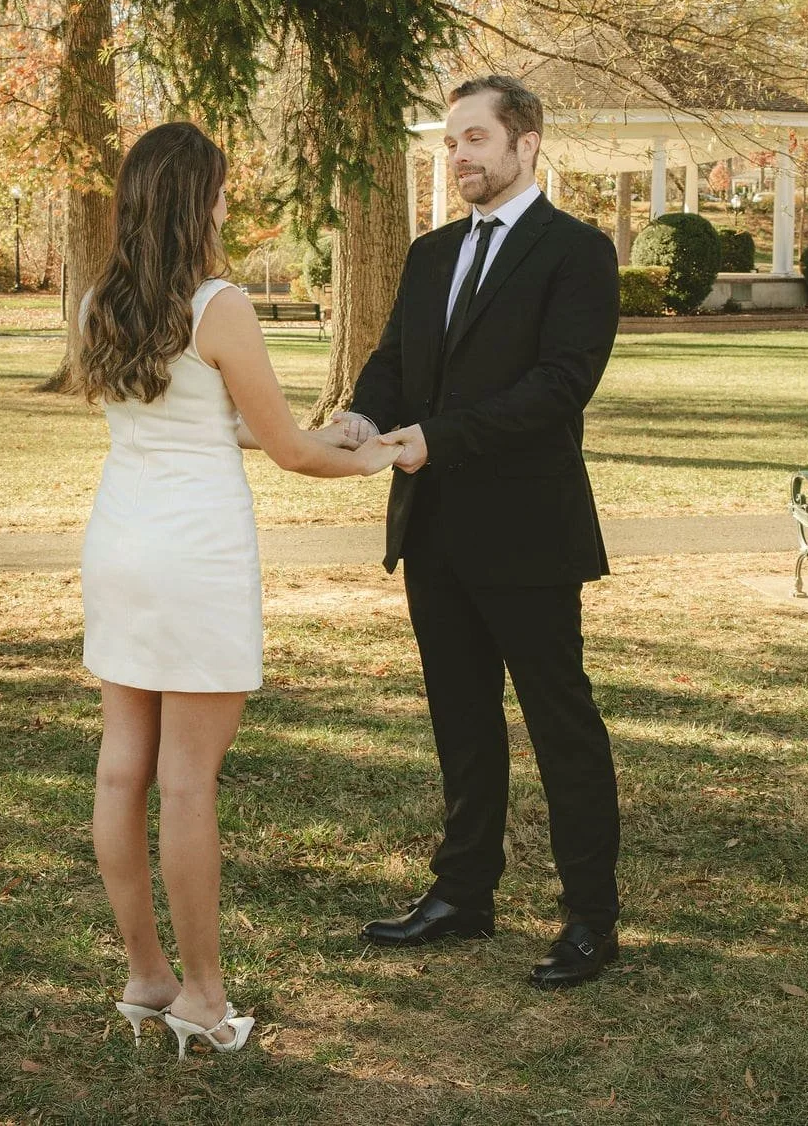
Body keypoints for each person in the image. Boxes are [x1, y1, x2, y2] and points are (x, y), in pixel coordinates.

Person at [78, 122, 401, 1058]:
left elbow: (208, 422)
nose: (227, 206)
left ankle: (146, 975)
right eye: (220, 193)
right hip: (195, 554)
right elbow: (293, 448)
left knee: (119, 767)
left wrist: (324, 439)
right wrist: (373, 457)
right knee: (186, 783)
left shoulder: (102, 298)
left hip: (121, 543)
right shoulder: (218, 304)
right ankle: (205, 998)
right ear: (193, 202)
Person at [340, 75, 623, 989]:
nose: (456, 156)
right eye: (448, 143)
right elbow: (394, 365)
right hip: (433, 532)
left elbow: (559, 387)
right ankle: (464, 895)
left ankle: (591, 918)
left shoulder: (577, 253)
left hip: (529, 533)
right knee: (461, 723)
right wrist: (362, 415)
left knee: (560, 724)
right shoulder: (430, 255)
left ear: (525, 143)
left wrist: (439, 439)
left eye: (473, 139)